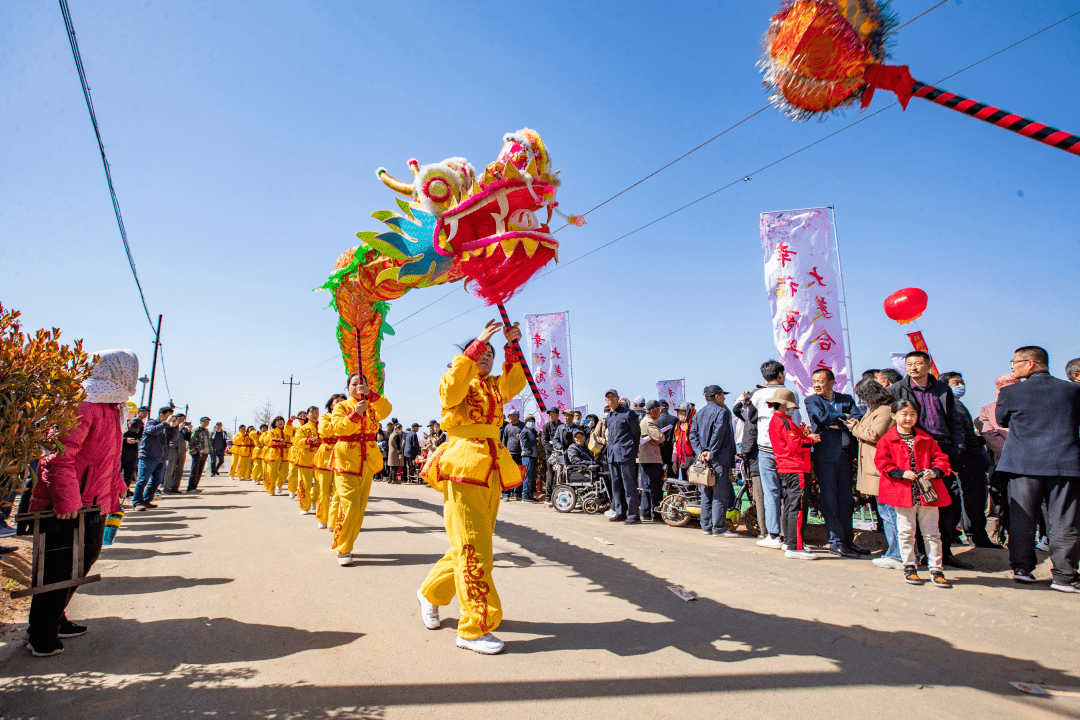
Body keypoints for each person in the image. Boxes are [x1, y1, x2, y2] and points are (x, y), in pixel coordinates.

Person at [416, 319, 525, 655]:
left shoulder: (494, 387)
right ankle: (473, 628)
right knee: (475, 548)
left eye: (490, 354)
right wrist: (475, 345)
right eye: (481, 352)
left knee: (471, 544)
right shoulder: (457, 382)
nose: (486, 357)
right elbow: (450, 390)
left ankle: (431, 592)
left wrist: (512, 347)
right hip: (463, 465)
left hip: (491, 466)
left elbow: (515, 383)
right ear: (468, 355)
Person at [27, 350, 137, 656]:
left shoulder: (113, 407)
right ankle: (40, 635)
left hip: (95, 503)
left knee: (81, 564)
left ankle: (56, 618)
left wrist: (117, 488)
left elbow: (109, 460)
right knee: (59, 569)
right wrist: (68, 502)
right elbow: (57, 457)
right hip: (70, 506)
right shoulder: (83, 404)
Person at [997, 346, 1080, 592]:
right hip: (1065, 463)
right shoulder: (1073, 391)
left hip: (1023, 464)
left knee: (1023, 518)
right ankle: (1065, 577)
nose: (1012, 366)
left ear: (1030, 363)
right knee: (1065, 521)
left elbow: (1002, 420)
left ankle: (1022, 569)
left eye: (1014, 362)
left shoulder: (1011, 392)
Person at [889, 351, 972, 569]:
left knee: (945, 503)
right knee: (917, 503)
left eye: (918, 363)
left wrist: (958, 446)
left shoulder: (943, 389)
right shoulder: (897, 390)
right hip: (914, 450)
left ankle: (944, 552)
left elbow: (955, 420)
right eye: (909, 364)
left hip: (941, 450)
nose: (913, 368)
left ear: (928, 366)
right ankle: (920, 554)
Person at [875, 399, 953, 588]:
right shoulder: (887, 439)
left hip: (927, 493)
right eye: (904, 414)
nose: (909, 418)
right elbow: (882, 462)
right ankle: (909, 566)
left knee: (932, 533)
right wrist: (901, 473)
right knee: (905, 533)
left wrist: (935, 471)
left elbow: (941, 459)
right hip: (902, 492)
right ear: (893, 416)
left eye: (912, 414)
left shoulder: (926, 438)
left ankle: (936, 569)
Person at [328, 374, 392, 566]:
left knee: (360, 506)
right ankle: (343, 548)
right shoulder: (341, 406)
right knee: (349, 503)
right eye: (354, 384)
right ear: (348, 388)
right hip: (346, 458)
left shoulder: (372, 405)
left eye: (361, 384)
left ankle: (348, 541)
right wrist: (355, 413)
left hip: (367, 459)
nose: (357, 387)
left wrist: (371, 395)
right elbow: (338, 429)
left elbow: (387, 409)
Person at [805, 368, 866, 558]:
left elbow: (858, 418)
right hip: (825, 457)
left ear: (832, 382)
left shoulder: (846, 399)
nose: (816, 384)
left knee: (846, 499)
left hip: (846, 456)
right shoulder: (812, 400)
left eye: (820, 381)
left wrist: (838, 422)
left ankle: (848, 540)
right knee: (829, 499)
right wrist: (846, 419)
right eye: (814, 381)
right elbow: (822, 418)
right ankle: (836, 542)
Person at [939, 371, 999, 548]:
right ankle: (976, 536)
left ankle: (969, 534)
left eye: (961, 382)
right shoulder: (953, 405)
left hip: (968, 456)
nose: (960, 386)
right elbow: (963, 433)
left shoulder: (956, 404)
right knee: (973, 498)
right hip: (968, 457)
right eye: (956, 382)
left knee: (966, 498)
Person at [747, 360, 801, 549]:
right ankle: (790, 537)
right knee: (789, 492)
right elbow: (796, 419)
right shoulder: (790, 393)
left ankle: (773, 534)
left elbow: (751, 417)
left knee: (771, 492)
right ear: (780, 375)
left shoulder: (758, 395)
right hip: (786, 449)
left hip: (765, 449)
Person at [851, 378, 901, 569]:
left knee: (889, 513)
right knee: (885, 512)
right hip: (875, 467)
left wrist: (854, 428)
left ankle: (897, 554)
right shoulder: (876, 410)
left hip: (881, 468)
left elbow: (874, 434)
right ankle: (895, 551)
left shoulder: (886, 410)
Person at [767, 387, 821, 560]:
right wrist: (811, 440)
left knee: (790, 506)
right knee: (797, 508)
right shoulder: (785, 422)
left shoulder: (777, 420)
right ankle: (795, 546)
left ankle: (790, 542)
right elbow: (796, 445)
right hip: (795, 467)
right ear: (784, 405)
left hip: (786, 467)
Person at [690, 385, 738, 537]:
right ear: (717, 396)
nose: (724, 398)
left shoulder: (699, 414)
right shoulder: (722, 412)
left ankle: (706, 526)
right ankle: (718, 527)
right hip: (719, 458)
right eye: (723, 395)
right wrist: (711, 451)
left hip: (704, 459)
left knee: (706, 492)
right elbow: (718, 433)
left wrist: (700, 452)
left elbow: (693, 435)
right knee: (719, 493)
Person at [978, 374, 1019, 544]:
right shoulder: (988, 410)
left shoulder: (1031, 405)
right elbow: (992, 439)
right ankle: (1003, 536)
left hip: (1021, 464)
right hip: (1005, 464)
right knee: (1003, 503)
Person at [602, 390, 642, 523]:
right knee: (616, 485)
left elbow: (636, 433)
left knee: (629, 485)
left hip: (626, 454)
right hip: (612, 455)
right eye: (608, 397)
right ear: (606, 401)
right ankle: (620, 512)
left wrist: (634, 450)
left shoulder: (628, 413)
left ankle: (633, 515)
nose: (611, 399)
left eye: (613, 397)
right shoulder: (609, 416)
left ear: (618, 398)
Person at [132, 407, 175, 510]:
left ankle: (146, 500)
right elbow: (153, 431)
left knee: (156, 481)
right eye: (167, 416)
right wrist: (166, 423)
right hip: (148, 456)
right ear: (161, 415)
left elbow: (174, 438)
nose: (169, 418)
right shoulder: (151, 423)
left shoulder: (167, 427)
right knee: (143, 480)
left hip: (161, 458)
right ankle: (137, 503)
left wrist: (175, 427)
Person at [315, 394, 346, 529]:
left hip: (342, 454)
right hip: (326, 454)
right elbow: (324, 431)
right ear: (330, 405)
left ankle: (333, 520)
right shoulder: (325, 417)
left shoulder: (348, 418)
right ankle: (322, 517)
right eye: (337, 402)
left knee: (339, 492)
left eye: (343, 402)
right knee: (324, 490)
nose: (340, 404)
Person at [637, 400, 665, 522]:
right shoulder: (649, 422)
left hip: (646, 458)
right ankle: (655, 514)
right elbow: (659, 437)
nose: (660, 413)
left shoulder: (644, 421)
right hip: (651, 459)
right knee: (654, 487)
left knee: (647, 486)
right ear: (653, 411)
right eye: (659, 410)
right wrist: (661, 438)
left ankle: (645, 512)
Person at [294, 406, 320, 515]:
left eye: (316, 413)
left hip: (320, 459)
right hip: (306, 459)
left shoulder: (322, 426)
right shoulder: (303, 428)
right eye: (312, 413)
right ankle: (304, 506)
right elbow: (297, 442)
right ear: (308, 415)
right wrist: (308, 441)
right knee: (305, 484)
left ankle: (314, 500)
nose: (314, 415)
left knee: (320, 484)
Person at [121, 407, 148, 491]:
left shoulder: (141, 425)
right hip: (122, 453)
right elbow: (116, 437)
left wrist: (139, 440)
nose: (145, 415)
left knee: (129, 474)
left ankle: (126, 490)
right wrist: (125, 440)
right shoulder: (124, 425)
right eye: (143, 412)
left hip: (133, 453)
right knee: (117, 474)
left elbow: (140, 437)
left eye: (146, 413)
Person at [500, 410, 525, 500]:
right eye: (509, 416)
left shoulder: (523, 425)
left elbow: (527, 436)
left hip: (520, 453)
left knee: (519, 474)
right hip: (509, 453)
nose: (509, 417)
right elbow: (504, 440)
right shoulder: (507, 427)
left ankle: (517, 494)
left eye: (511, 416)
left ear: (516, 416)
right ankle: (506, 494)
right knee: (508, 474)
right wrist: (503, 451)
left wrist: (521, 437)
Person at [162, 414, 190, 494]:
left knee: (179, 470)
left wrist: (189, 430)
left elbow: (188, 439)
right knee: (170, 469)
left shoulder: (185, 429)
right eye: (179, 419)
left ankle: (175, 488)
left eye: (183, 419)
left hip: (182, 450)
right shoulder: (170, 427)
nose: (181, 420)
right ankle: (166, 488)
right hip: (172, 449)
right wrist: (178, 428)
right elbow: (168, 438)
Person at [540, 408, 562, 496]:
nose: (551, 416)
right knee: (550, 475)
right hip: (550, 455)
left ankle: (558, 495)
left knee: (559, 475)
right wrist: (553, 449)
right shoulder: (546, 426)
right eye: (549, 414)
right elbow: (544, 441)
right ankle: (548, 496)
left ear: (557, 414)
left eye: (553, 414)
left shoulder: (562, 426)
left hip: (561, 455)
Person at [186, 417, 211, 493]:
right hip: (197, 453)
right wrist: (193, 452)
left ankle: (195, 487)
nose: (206, 423)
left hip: (204, 453)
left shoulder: (206, 431)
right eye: (205, 421)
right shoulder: (196, 431)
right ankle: (190, 488)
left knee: (200, 471)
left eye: (208, 422)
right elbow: (191, 442)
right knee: (195, 471)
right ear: (201, 422)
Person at [520, 415, 539, 503]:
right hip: (527, 456)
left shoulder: (533, 431)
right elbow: (526, 444)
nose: (531, 422)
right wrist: (536, 441)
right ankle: (525, 495)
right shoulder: (524, 431)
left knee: (531, 477)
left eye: (532, 420)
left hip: (533, 456)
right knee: (527, 477)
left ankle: (530, 495)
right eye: (529, 420)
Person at [656, 401, 677, 478]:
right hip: (671, 450)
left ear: (660, 409)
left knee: (659, 474)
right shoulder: (675, 420)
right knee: (672, 473)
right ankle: (671, 489)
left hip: (659, 450)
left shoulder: (656, 421)